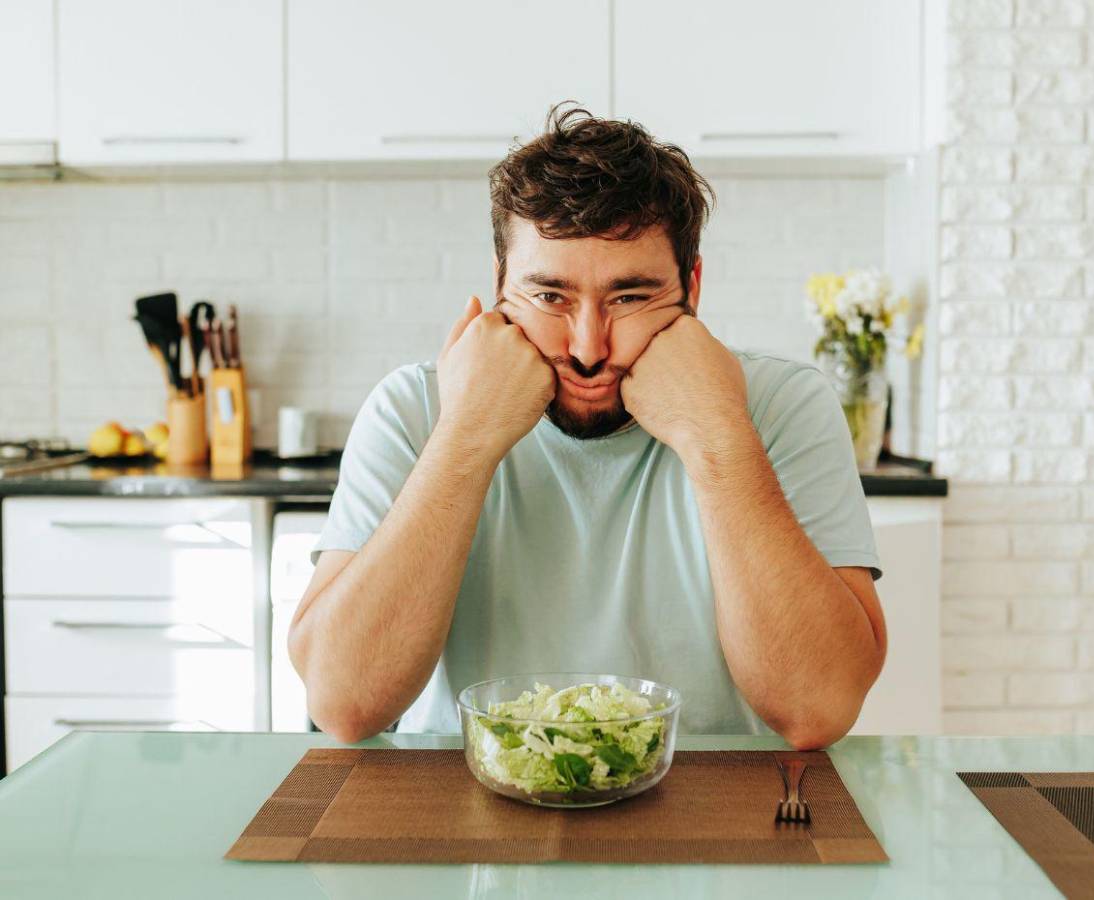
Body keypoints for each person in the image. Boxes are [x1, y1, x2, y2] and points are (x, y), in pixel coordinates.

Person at [288, 105, 886, 749]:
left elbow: (819, 708)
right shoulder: (412, 408)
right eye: (550, 296)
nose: (587, 347)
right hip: (464, 808)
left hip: (716, 812)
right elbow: (342, 704)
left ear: (692, 287)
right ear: (499, 285)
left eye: (630, 297)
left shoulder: (783, 404)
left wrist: (715, 433)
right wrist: (465, 438)